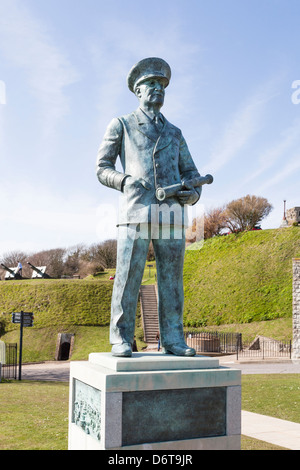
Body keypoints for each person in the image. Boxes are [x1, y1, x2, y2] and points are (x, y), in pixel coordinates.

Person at [96, 57, 207, 357]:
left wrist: (192, 194)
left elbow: (191, 175)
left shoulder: (175, 133)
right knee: (128, 275)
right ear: (138, 90)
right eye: (151, 84)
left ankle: (172, 338)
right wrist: (124, 181)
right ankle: (120, 337)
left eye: (162, 85)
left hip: (172, 213)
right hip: (135, 211)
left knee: (171, 280)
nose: (158, 89)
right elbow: (102, 167)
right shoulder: (122, 124)